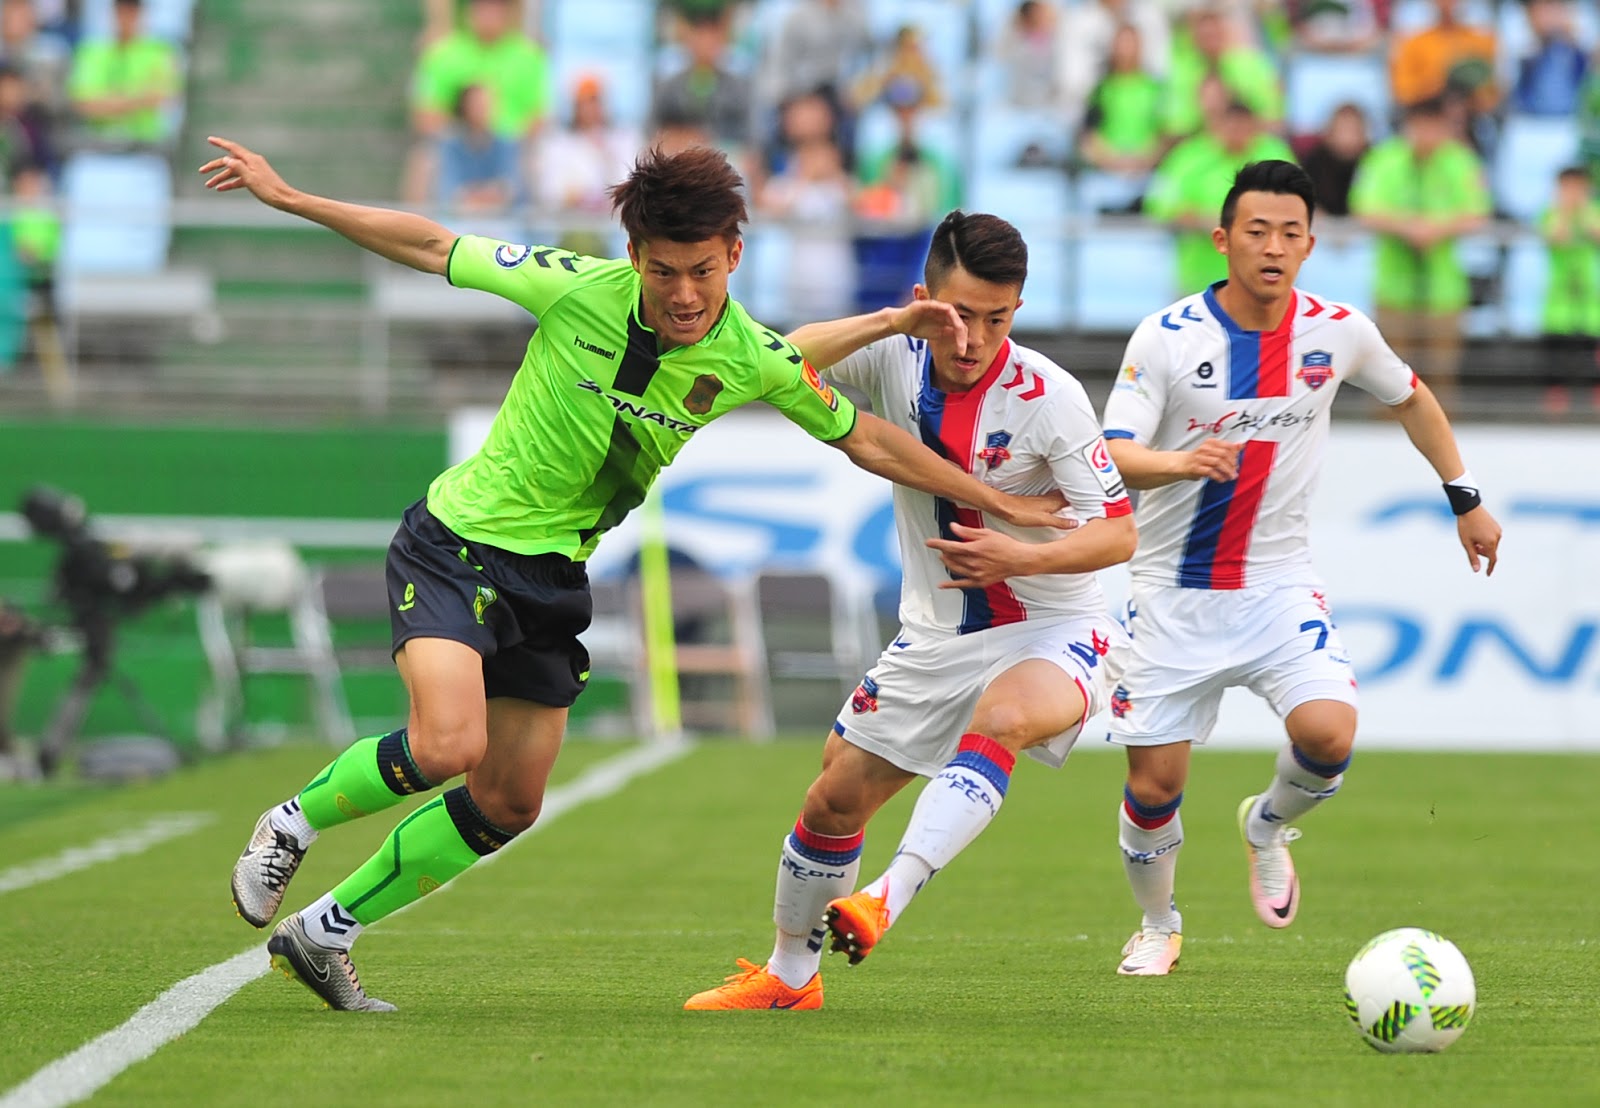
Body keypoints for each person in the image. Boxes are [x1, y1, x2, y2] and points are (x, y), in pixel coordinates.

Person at [202, 136, 1073, 1012]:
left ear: (734, 255)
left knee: (507, 802)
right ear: (633, 258)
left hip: (551, 581)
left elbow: (871, 438)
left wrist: (995, 500)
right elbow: (433, 245)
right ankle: (292, 824)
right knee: (449, 745)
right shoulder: (575, 287)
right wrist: (294, 198)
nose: (684, 294)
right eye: (664, 272)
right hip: (456, 543)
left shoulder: (750, 358)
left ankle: (324, 933)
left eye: (702, 270)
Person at [683, 211, 1137, 1010]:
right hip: (936, 635)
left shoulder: (1050, 397)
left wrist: (1021, 556)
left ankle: (885, 898)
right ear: (929, 300)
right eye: (961, 316)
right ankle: (790, 976)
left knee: (1000, 720)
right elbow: (772, 359)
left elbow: (1119, 534)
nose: (976, 340)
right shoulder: (894, 355)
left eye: (998, 319)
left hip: (1052, 623)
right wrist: (893, 321)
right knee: (833, 799)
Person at [1098, 159, 1502, 977]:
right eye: (1256, 231)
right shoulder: (1168, 337)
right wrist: (1179, 465)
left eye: (1290, 233)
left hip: (1277, 584)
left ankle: (1268, 826)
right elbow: (1112, 454)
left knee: (1328, 734)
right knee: (1153, 791)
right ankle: (1158, 923)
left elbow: (1412, 397)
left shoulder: (1339, 330)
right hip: (1172, 593)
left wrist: (1464, 497)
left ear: (1311, 244)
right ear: (1222, 240)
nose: (1273, 247)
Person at [1349, 97, 1489, 415]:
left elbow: (1477, 213)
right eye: (1420, 125)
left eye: (1434, 126)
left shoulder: (1460, 161)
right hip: (1393, 289)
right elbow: (1363, 208)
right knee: (1385, 381)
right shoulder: (1385, 159)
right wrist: (1407, 228)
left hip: (1444, 292)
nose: (1426, 134)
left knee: (1440, 382)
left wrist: (1436, 230)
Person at [1146, 97, 1295, 298]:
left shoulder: (1275, 155)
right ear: (1218, 125)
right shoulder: (1189, 156)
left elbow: (1295, 206)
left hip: (1262, 283)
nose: (1237, 132)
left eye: (1244, 125)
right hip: (1198, 280)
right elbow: (1159, 204)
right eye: (1232, 124)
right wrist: (1194, 219)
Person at [67, 0, 178, 148]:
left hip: (146, 147)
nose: (126, 19)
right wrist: (138, 99)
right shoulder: (91, 51)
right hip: (96, 145)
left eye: (132, 12)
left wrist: (108, 101)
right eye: (122, 12)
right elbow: (84, 103)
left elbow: (162, 98)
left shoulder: (160, 52)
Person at [1538, 165, 1600, 413]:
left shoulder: (1593, 213)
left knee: (1591, 349)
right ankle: (1556, 401)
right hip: (1559, 297)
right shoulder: (1550, 213)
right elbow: (1556, 237)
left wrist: (1582, 212)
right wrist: (1565, 211)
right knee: (1557, 351)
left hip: (1589, 297)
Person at [1298, 102, 1369, 218]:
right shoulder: (1314, 160)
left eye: (1353, 130)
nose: (1348, 138)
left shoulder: (1374, 160)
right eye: (1343, 130)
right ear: (1330, 132)